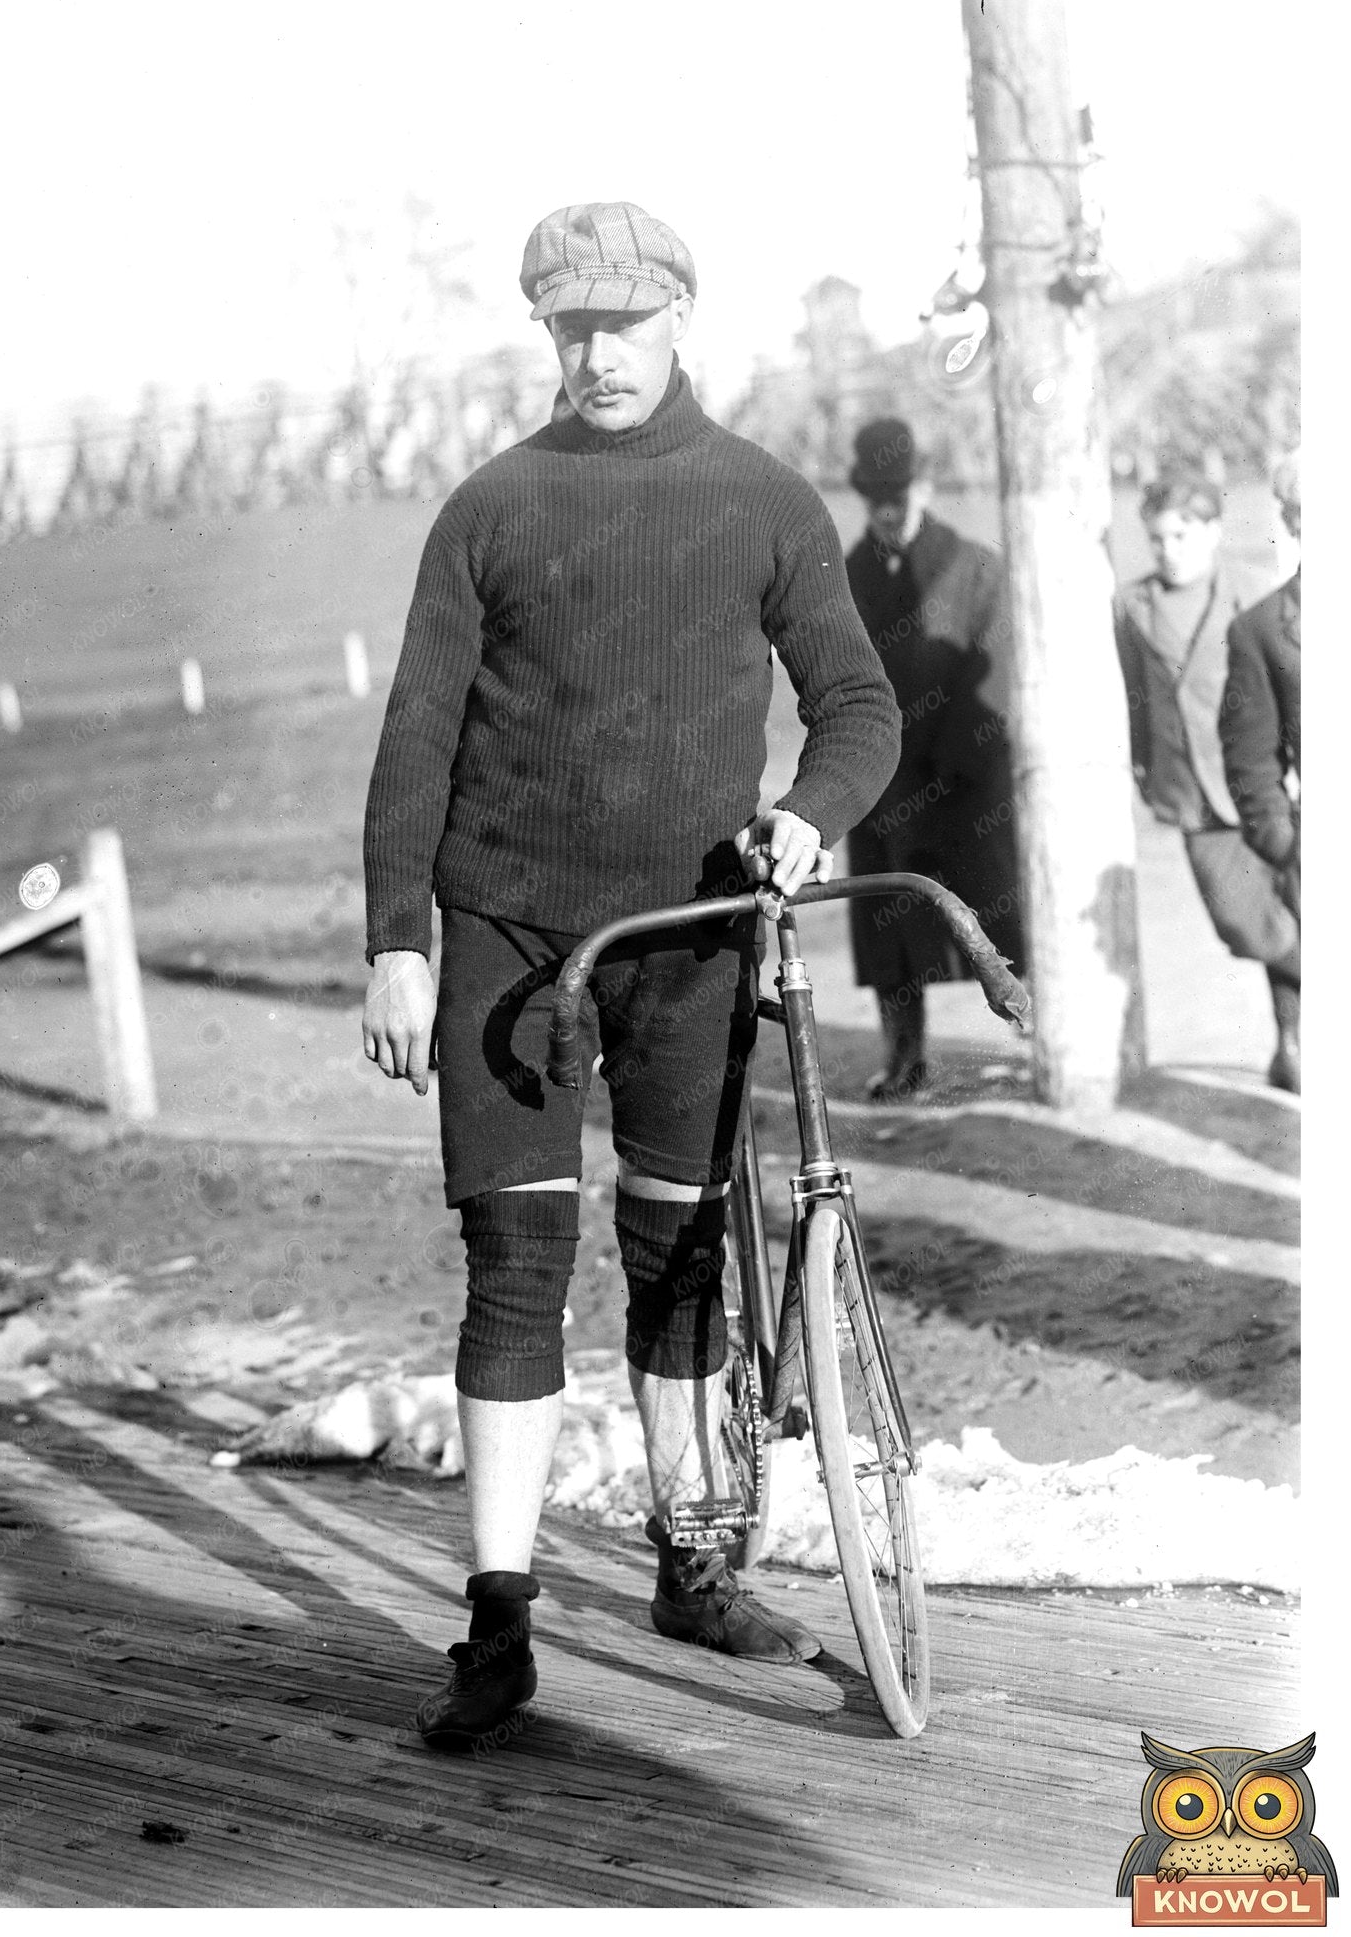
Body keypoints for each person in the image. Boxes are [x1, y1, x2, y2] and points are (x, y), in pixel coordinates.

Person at [361, 202, 900, 1747]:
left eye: (625, 325)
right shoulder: (488, 509)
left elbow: (857, 707)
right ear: (544, 335)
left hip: (692, 937)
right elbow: (415, 740)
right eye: (571, 328)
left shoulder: (764, 502)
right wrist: (401, 938)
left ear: (678, 322)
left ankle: (692, 1560)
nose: (600, 354)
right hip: (509, 940)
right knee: (516, 1268)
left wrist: (804, 820)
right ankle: (497, 1626)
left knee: (679, 1264)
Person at [840, 418, 1026, 1100]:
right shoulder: (846, 576)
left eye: (902, 492)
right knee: (892, 928)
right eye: (878, 497)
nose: (891, 510)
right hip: (881, 785)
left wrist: (953, 764)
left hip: (966, 783)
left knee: (1001, 914)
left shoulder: (975, 565)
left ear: (925, 486)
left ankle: (1036, 1037)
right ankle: (907, 1059)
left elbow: (997, 669)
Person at [1112, 472, 1300, 1088]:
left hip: (1262, 784)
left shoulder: (1252, 592)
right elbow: (1135, 696)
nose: (1170, 550)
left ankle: (1291, 1044)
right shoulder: (1133, 605)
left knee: (1296, 908)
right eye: (1157, 538)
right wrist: (1143, 764)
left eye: (1183, 535)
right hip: (1191, 791)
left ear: (1214, 533)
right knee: (1243, 920)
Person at [1219, 453, 1302, 1091]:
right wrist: (1284, 842)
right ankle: (1295, 1048)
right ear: (1294, 521)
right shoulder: (1263, 630)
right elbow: (1250, 757)